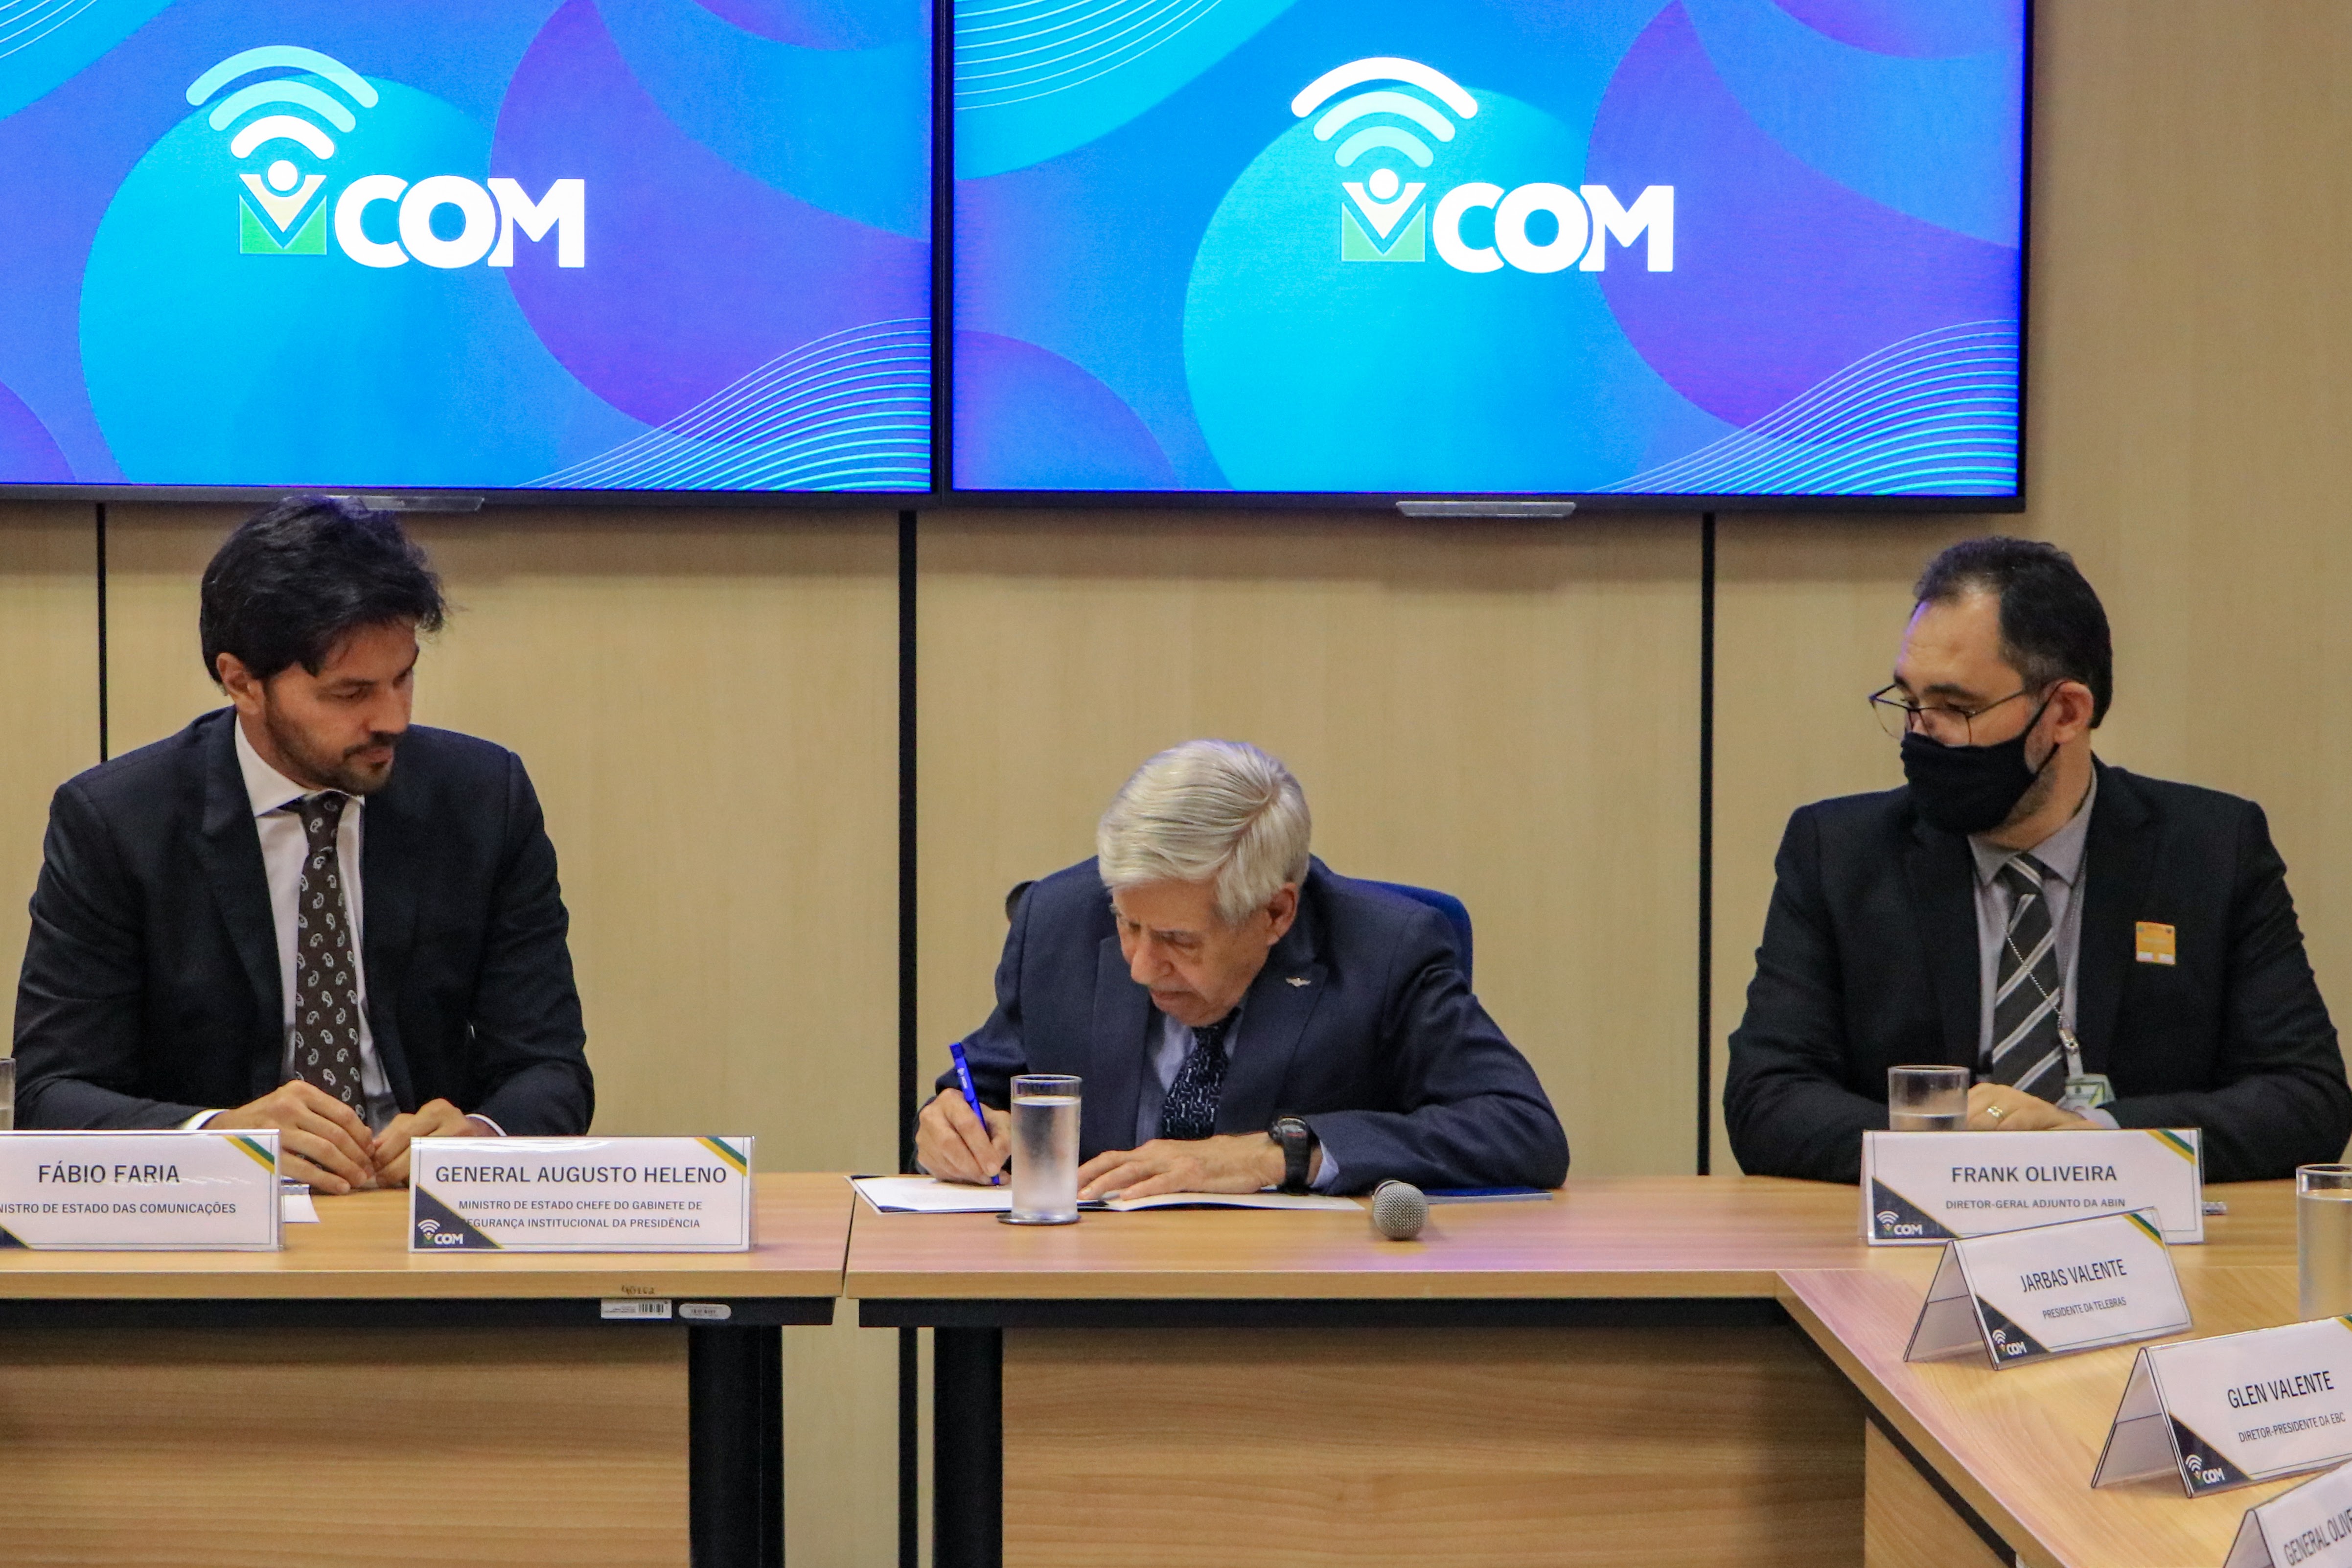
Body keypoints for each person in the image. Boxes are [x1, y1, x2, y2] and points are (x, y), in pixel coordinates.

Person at [1725, 537, 2349, 1184]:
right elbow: (1765, 1098)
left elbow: (2306, 1099)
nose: (1921, 732)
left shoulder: (2211, 850)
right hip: (1914, 1229)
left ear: (2066, 713)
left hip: (2137, 1230)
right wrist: (1945, 1148)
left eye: (1956, 708)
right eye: (1909, 702)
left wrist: (2091, 1139)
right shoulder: (1839, 853)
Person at [13, 497, 593, 1192]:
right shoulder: (118, 822)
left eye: (403, 677)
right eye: (350, 694)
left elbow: (550, 1068)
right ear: (242, 683)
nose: (393, 719)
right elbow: (54, 1095)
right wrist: (221, 1139)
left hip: (415, 1207)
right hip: (216, 1217)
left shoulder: (482, 800)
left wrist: (483, 1138)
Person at [916, 739, 1568, 1198]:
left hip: (1297, 1304)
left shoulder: (1385, 950)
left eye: (1178, 939)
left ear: (1276, 913)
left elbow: (1522, 1131)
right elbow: (980, 1092)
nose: (1141, 966)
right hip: (1084, 1292)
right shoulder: (1058, 920)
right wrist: (952, 1128)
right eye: (1128, 925)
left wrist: (1276, 1154)